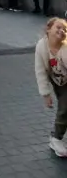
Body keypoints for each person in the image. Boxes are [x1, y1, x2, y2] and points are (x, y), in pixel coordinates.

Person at [34, 17, 67, 157]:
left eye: (65, 29)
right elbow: (40, 71)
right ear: (48, 29)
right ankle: (56, 139)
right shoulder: (42, 46)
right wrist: (45, 94)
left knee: (65, 107)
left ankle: (57, 136)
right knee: (64, 108)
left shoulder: (65, 47)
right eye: (58, 27)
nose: (62, 31)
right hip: (58, 81)